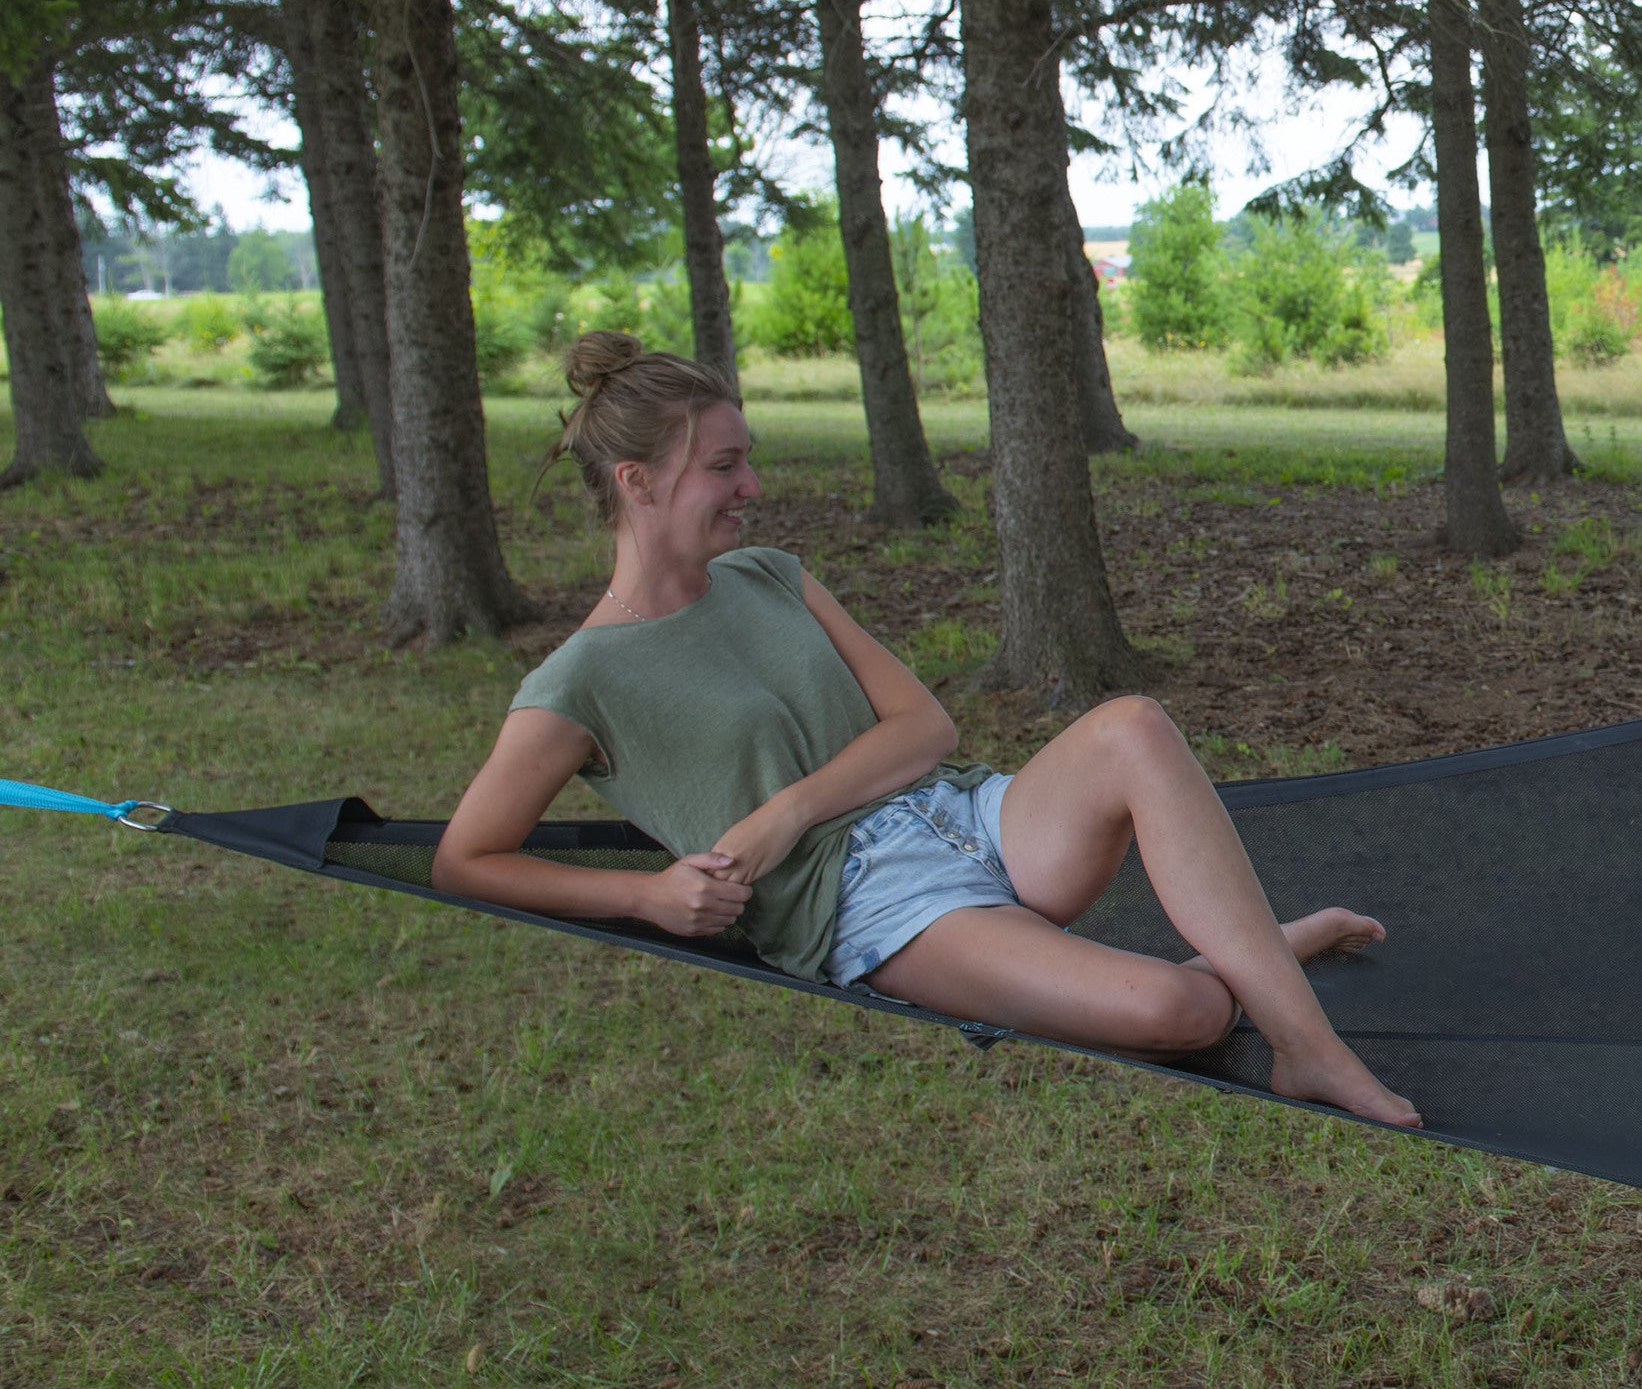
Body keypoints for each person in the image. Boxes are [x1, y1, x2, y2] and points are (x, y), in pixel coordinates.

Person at [436, 334, 1420, 1130]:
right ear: (637, 482)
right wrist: (647, 896)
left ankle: (1306, 1045)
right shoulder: (579, 681)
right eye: (724, 467)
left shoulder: (769, 575)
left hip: (965, 814)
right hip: (874, 904)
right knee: (1186, 1012)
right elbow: (466, 861)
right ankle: (1262, 955)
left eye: (747, 460)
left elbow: (924, 727)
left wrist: (784, 813)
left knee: (1134, 726)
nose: (753, 487)